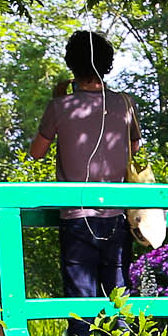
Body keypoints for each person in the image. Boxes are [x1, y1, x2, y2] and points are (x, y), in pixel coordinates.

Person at [25, 30, 139, 305]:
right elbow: (133, 149)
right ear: (107, 64)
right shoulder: (125, 103)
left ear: (71, 64)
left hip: (76, 215)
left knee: (80, 304)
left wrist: (59, 102)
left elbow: (36, 153)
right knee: (119, 302)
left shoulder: (60, 106)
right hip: (117, 214)